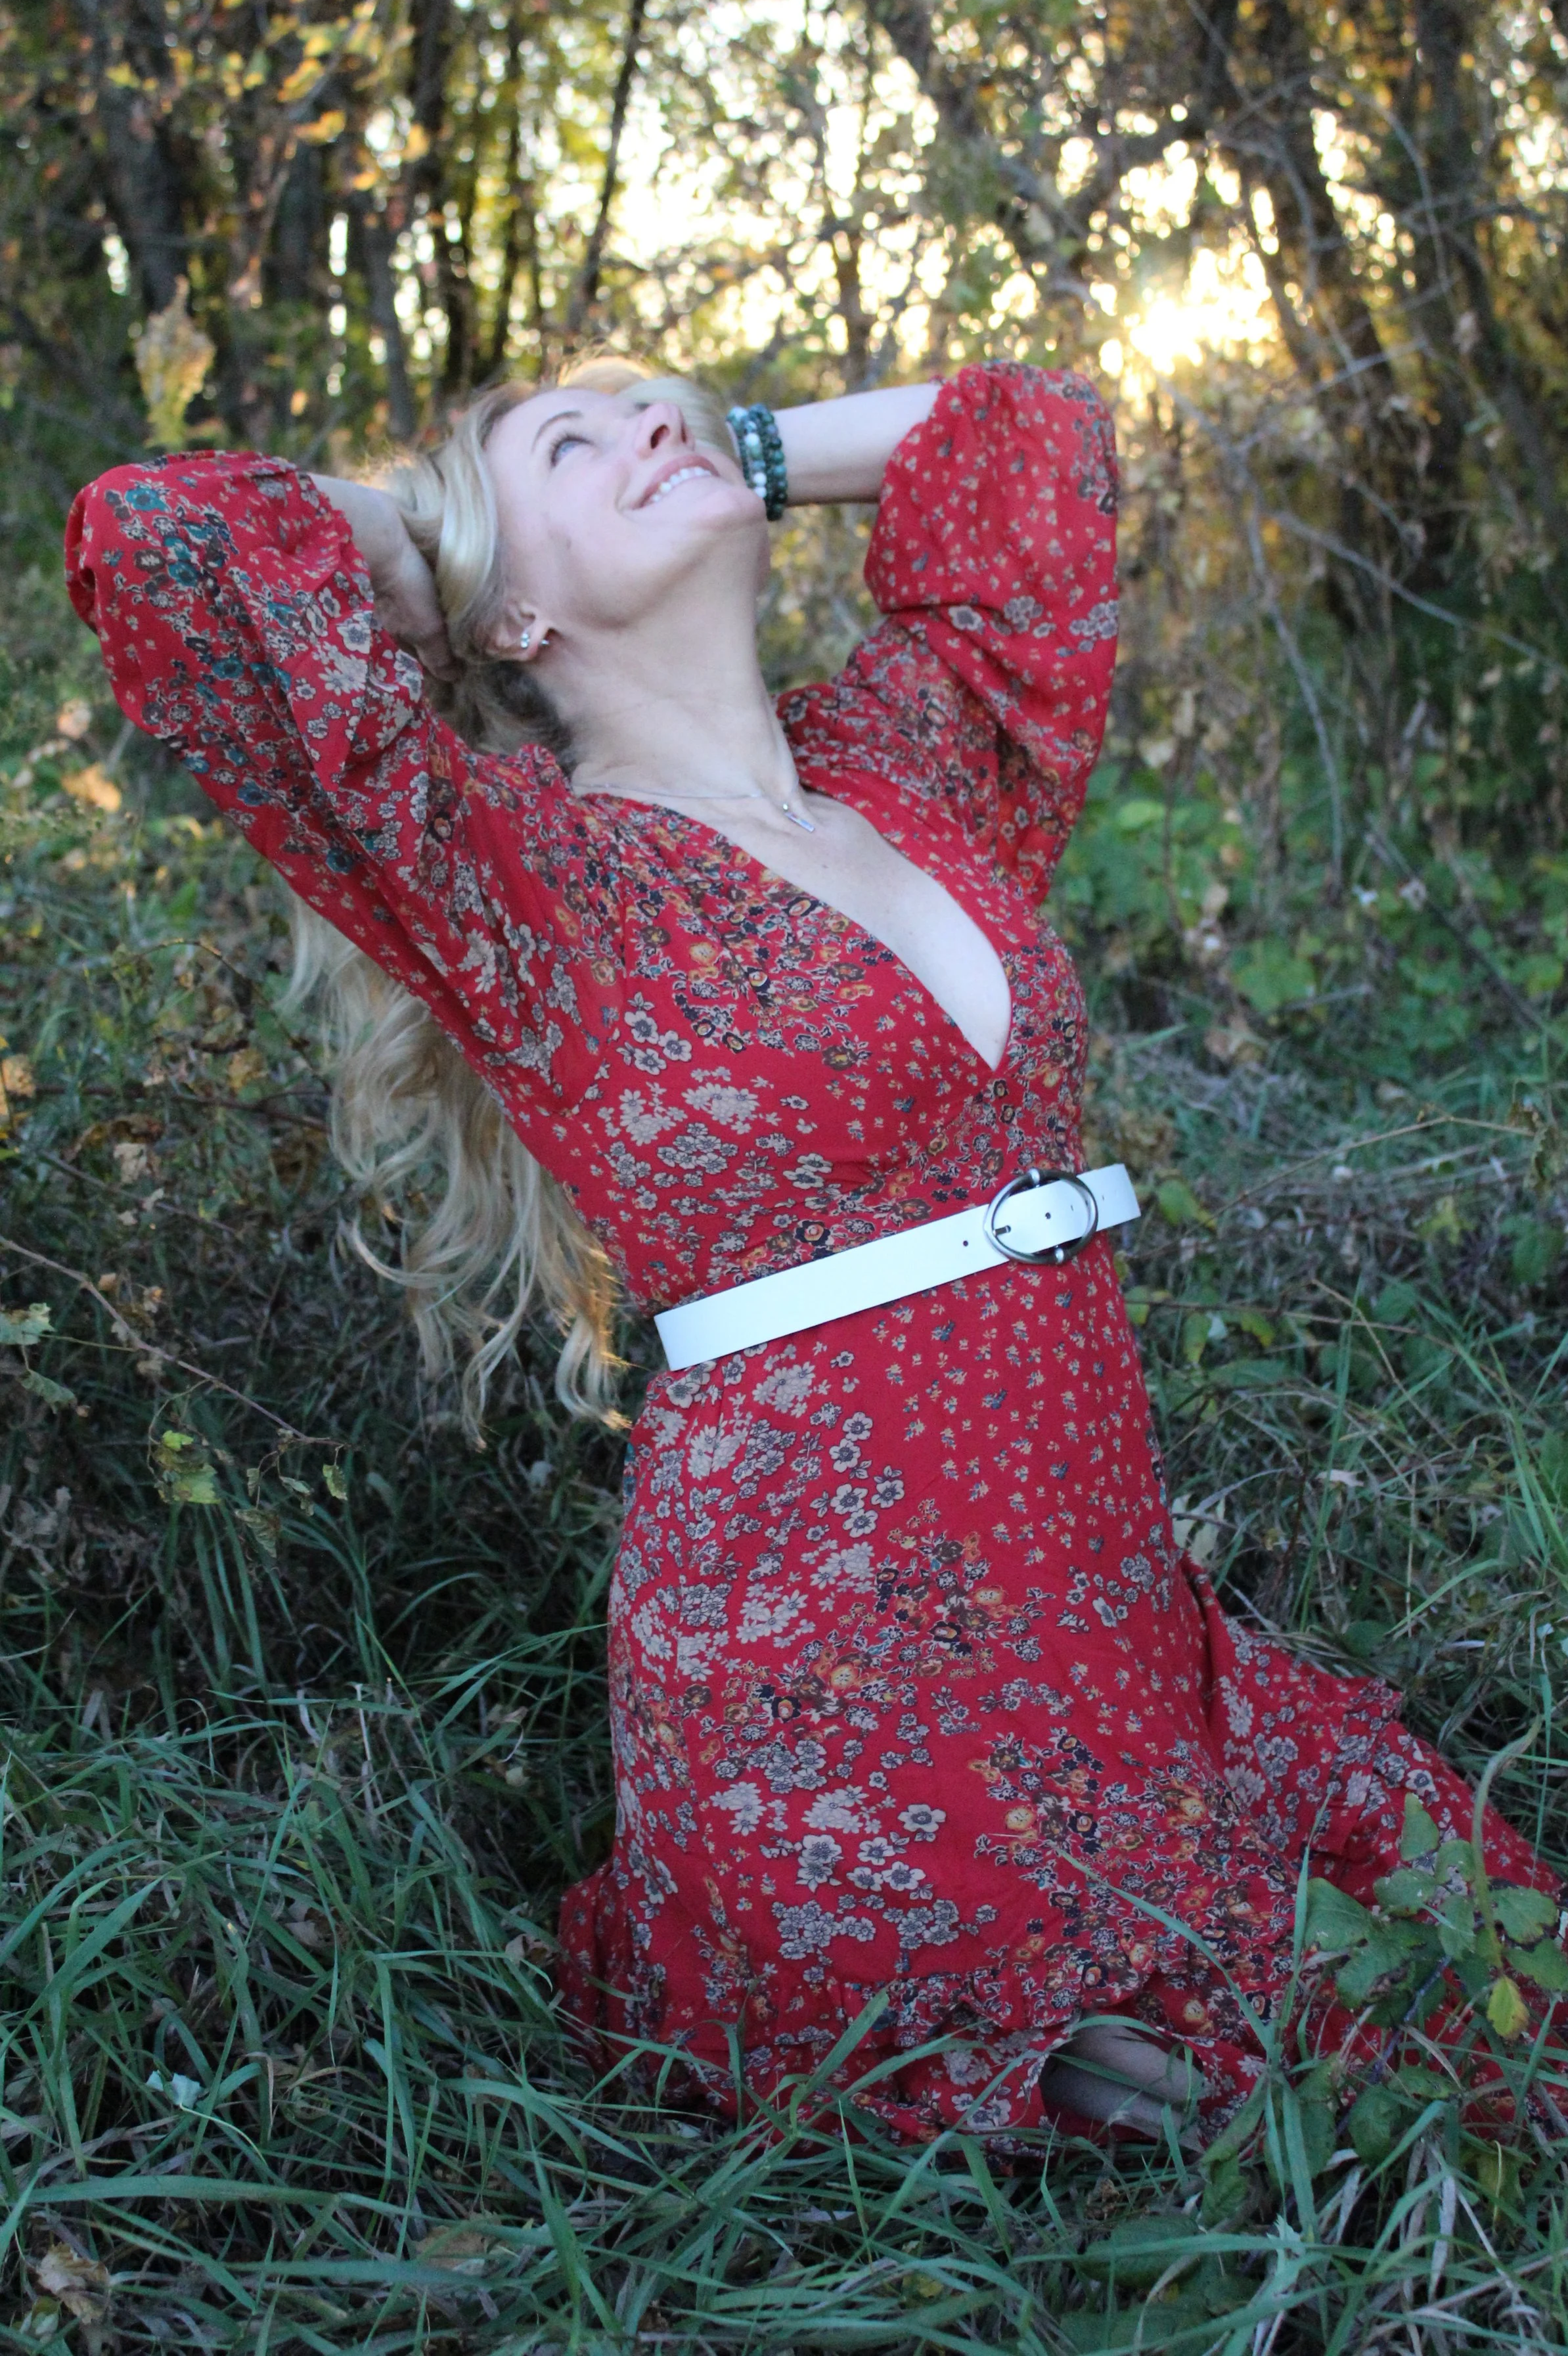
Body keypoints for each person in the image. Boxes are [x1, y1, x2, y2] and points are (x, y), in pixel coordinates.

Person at [66, 353, 1559, 2144]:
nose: (648, 427)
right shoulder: (521, 876)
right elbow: (157, 540)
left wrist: (728, 450)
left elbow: (1031, 433)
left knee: (1483, 1979)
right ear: (509, 603)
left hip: (1117, 1631)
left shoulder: (916, 764)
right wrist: (432, 538)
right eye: (574, 436)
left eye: (662, 406)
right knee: (1275, 2096)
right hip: (829, 1674)